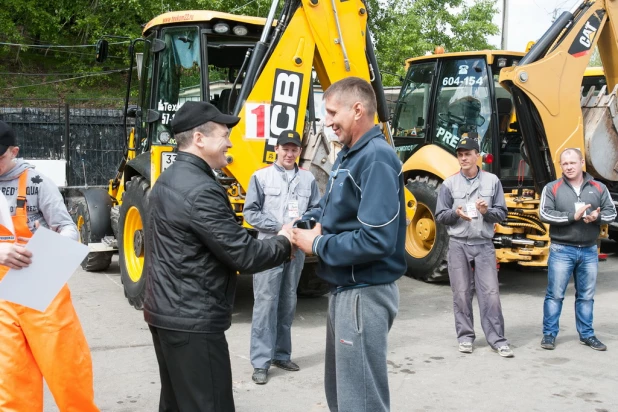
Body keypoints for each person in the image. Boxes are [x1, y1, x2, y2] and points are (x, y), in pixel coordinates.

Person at [143, 101, 294, 412]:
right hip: (192, 320)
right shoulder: (200, 189)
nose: (229, 142)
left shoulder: (168, 180)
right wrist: (286, 242)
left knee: (176, 403)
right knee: (209, 404)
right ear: (199, 139)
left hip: (167, 312)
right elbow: (244, 254)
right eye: (224, 135)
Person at [292, 77, 406, 412]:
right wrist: (307, 222)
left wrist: (319, 244)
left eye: (330, 112)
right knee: (343, 394)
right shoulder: (349, 156)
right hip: (348, 290)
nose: (326, 121)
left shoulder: (376, 158)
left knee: (361, 400)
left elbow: (377, 238)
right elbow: (332, 209)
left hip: (364, 292)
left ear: (357, 110)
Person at [0, 121, 99, 411]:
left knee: (68, 374)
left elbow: (67, 228)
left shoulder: (37, 183)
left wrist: (53, 251)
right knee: (11, 378)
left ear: (13, 151)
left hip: (41, 290)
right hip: (2, 297)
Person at [243, 129, 320, 385]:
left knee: (287, 301)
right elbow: (250, 213)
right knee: (265, 303)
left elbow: (316, 209)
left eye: (294, 149)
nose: (289, 153)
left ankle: (281, 354)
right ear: (276, 149)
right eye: (285, 148)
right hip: (268, 249)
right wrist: (279, 228)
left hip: (295, 251)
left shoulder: (308, 179)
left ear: (299, 151)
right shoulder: (261, 177)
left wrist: (302, 227)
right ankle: (261, 363)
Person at [434, 136, 514, 358]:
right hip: (458, 245)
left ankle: (497, 339)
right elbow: (440, 215)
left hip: (483, 244)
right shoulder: (449, 184)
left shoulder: (492, 181)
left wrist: (486, 211)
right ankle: (465, 337)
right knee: (460, 293)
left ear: (477, 155)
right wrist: (455, 213)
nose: (463, 158)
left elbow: (503, 214)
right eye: (460, 155)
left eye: (468, 154)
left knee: (490, 294)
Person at [539, 148, 616, 351]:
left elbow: (611, 213)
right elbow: (545, 214)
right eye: (565, 164)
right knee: (555, 295)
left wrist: (595, 218)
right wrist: (571, 217)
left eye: (573, 162)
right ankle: (549, 334)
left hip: (589, 250)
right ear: (561, 166)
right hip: (561, 249)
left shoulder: (598, 188)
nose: (569, 167)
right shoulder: (552, 188)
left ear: (582, 163)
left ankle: (587, 335)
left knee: (586, 296)